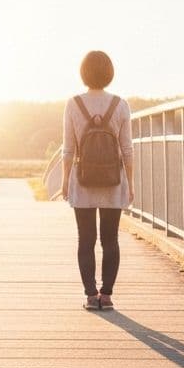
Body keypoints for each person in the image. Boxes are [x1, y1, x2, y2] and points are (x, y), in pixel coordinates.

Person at [60, 50, 134, 311]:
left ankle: (91, 296)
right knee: (111, 239)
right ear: (109, 73)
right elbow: (127, 150)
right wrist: (131, 185)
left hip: (83, 181)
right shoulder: (121, 105)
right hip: (114, 181)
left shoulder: (73, 104)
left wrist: (65, 180)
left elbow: (68, 149)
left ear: (83, 73)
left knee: (86, 240)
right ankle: (107, 295)